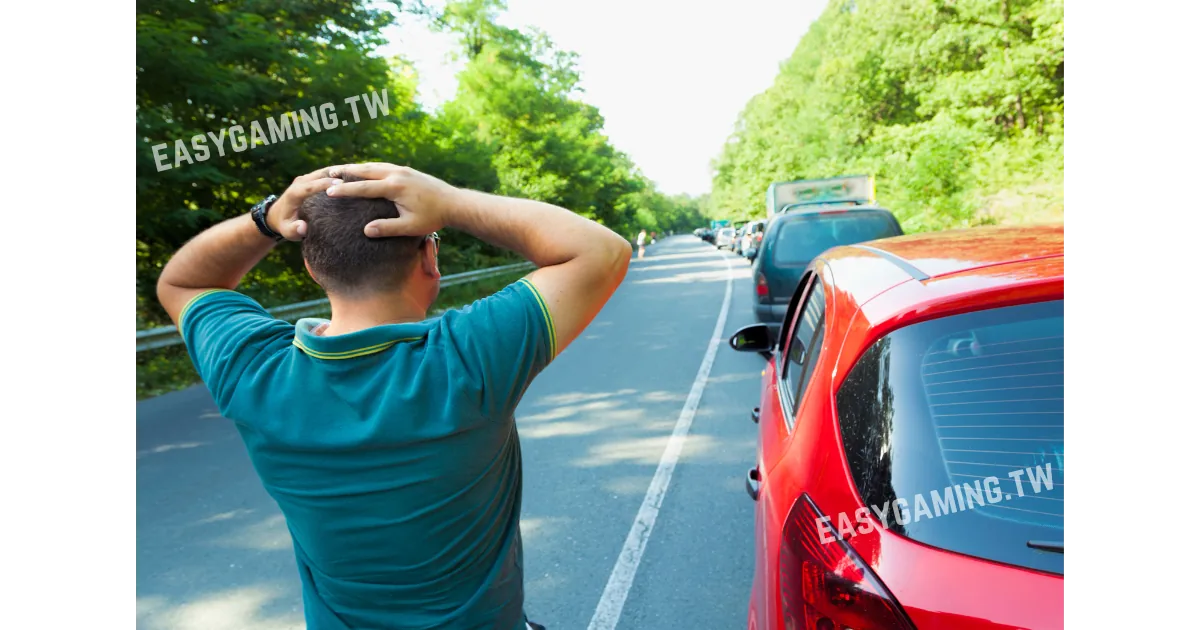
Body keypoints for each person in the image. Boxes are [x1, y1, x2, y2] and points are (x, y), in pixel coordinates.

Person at [155, 163, 632, 630]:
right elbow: (600, 250)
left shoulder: (253, 371)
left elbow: (183, 282)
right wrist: (449, 200)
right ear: (428, 256)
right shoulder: (467, 358)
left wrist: (266, 218)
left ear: (312, 269)